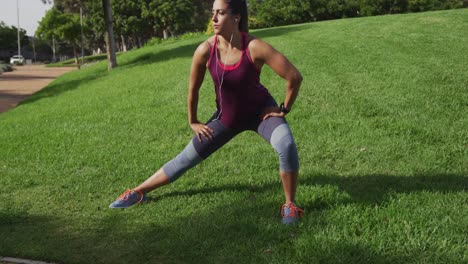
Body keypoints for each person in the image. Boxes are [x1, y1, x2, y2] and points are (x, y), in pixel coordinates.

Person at [109, 0, 304, 224]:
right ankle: (137, 192)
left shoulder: (254, 47)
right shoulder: (205, 50)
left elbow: (294, 77)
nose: (213, 19)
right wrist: (193, 121)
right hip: (227, 119)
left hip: (260, 113)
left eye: (220, 13)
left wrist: (282, 109)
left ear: (236, 17)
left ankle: (290, 205)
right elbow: (193, 89)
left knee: (286, 144)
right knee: (185, 159)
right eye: (213, 13)